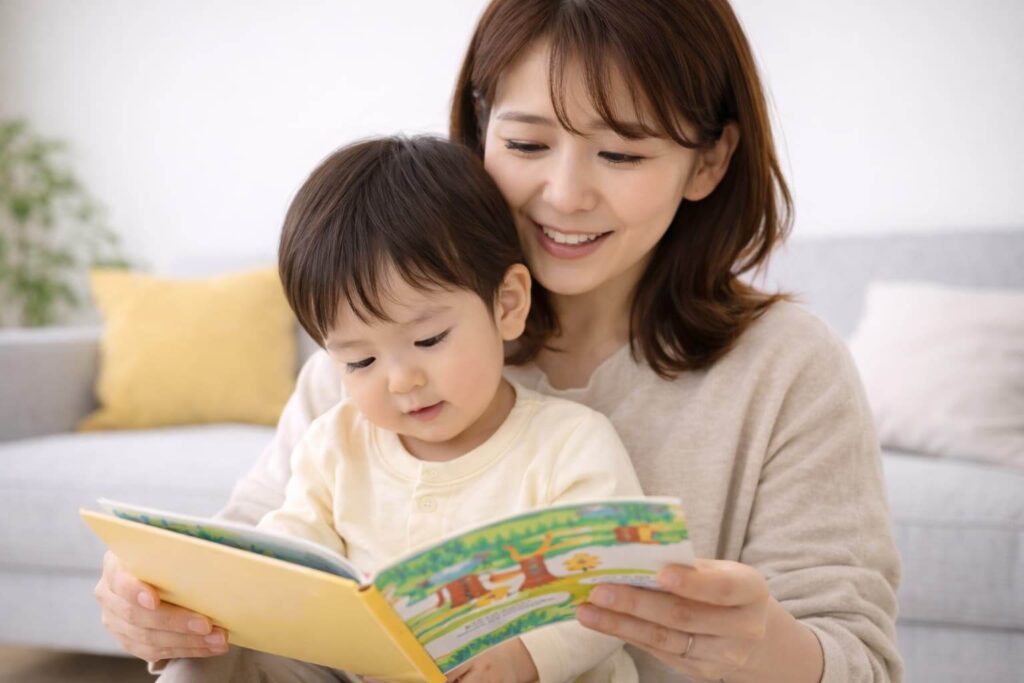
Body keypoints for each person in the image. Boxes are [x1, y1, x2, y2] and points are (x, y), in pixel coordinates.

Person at [95, 1, 902, 681]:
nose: (565, 193)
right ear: (480, 125)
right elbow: (260, 575)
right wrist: (166, 607)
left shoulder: (787, 369)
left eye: (621, 151)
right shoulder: (371, 356)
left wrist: (772, 649)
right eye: (525, 144)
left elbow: (858, 658)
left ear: (709, 160)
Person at [156, 135, 645, 682]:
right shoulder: (334, 443)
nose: (402, 381)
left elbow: (614, 590)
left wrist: (523, 659)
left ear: (507, 304)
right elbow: (290, 547)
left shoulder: (569, 444)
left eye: (430, 340)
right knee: (218, 660)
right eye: (360, 362)